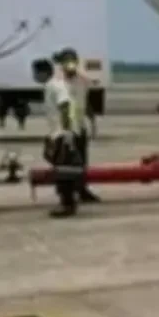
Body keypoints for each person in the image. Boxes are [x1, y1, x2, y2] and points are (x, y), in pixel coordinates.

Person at [33, 59, 83, 218]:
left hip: (63, 133)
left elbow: (65, 106)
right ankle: (67, 202)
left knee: (64, 171)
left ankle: (67, 204)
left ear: (42, 72)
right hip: (58, 133)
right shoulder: (52, 86)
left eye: (35, 73)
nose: (34, 76)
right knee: (61, 169)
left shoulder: (56, 85)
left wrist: (67, 133)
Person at [54, 49, 100, 203]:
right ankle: (65, 195)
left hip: (80, 127)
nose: (70, 64)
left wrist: (92, 122)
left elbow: (85, 103)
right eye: (66, 61)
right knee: (65, 164)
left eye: (72, 61)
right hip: (64, 130)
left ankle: (82, 190)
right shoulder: (58, 83)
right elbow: (61, 109)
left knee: (81, 162)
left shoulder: (83, 81)